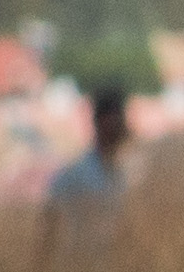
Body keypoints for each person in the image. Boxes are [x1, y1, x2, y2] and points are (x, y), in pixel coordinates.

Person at [46, 84, 134, 230]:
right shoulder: (74, 176)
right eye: (110, 122)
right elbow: (50, 225)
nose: (115, 128)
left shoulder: (135, 173)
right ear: (98, 122)